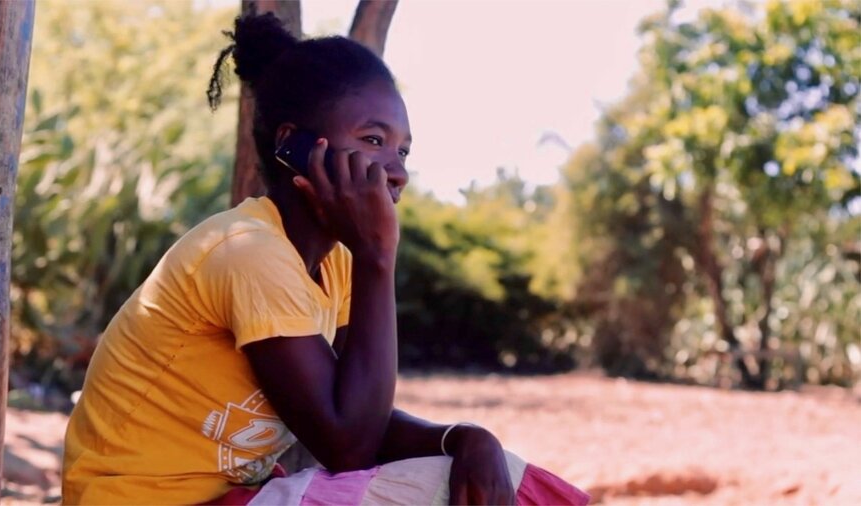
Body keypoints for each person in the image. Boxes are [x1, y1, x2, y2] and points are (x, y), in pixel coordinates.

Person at [62, 12, 588, 506]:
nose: (397, 171)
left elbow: (357, 408)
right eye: (373, 140)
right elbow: (348, 446)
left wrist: (463, 438)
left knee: (493, 472)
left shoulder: (331, 262)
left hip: (229, 498)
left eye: (402, 151)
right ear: (295, 147)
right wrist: (378, 257)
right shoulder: (249, 252)